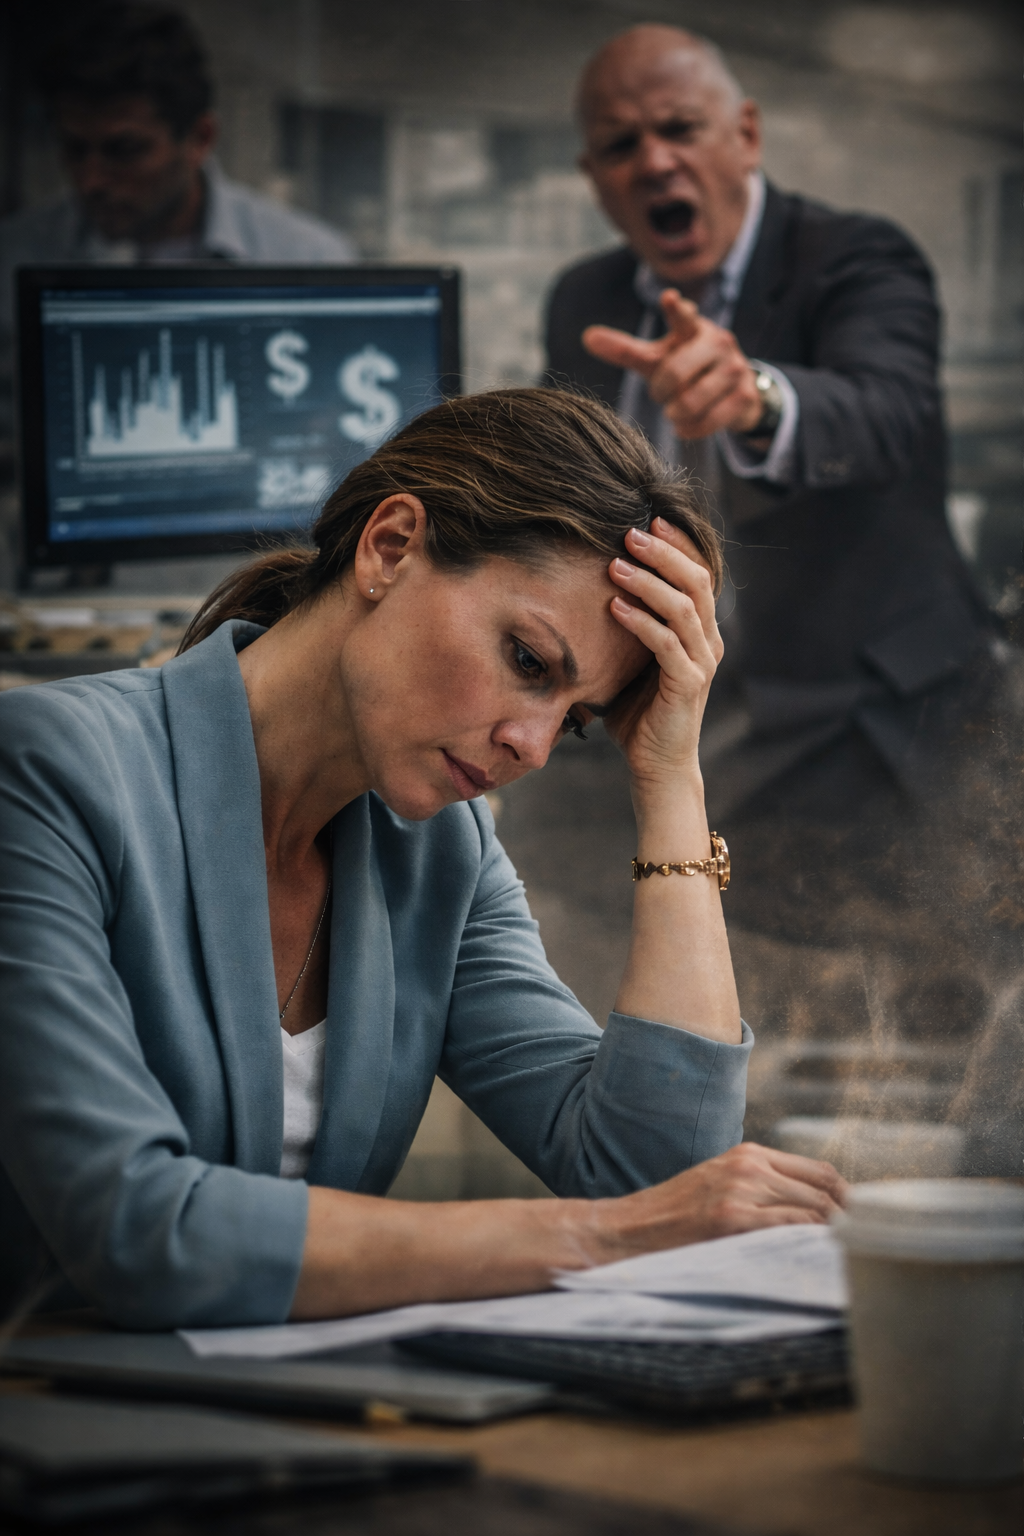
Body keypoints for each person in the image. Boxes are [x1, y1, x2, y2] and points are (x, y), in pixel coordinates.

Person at [0, 389, 846, 1328]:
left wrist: (671, 781)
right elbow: (132, 1226)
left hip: (305, 1429)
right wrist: (597, 1237)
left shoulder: (443, 850)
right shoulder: (47, 770)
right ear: (390, 546)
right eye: (528, 660)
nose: (532, 745)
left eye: (575, 724)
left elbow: (652, 1180)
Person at [545, 25, 997, 949]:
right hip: (663, 703)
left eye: (681, 128)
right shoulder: (584, 301)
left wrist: (756, 397)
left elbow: (883, 413)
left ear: (745, 135)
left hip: (862, 712)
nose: (656, 161)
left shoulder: (859, 260)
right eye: (623, 145)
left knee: (862, 971)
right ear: (593, 175)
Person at [0, 2, 353, 563]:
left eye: (123, 150)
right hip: (71, 573)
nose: (92, 180)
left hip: (253, 562)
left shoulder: (309, 257)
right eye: (74, 149)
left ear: (200, 137)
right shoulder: (16, 256)